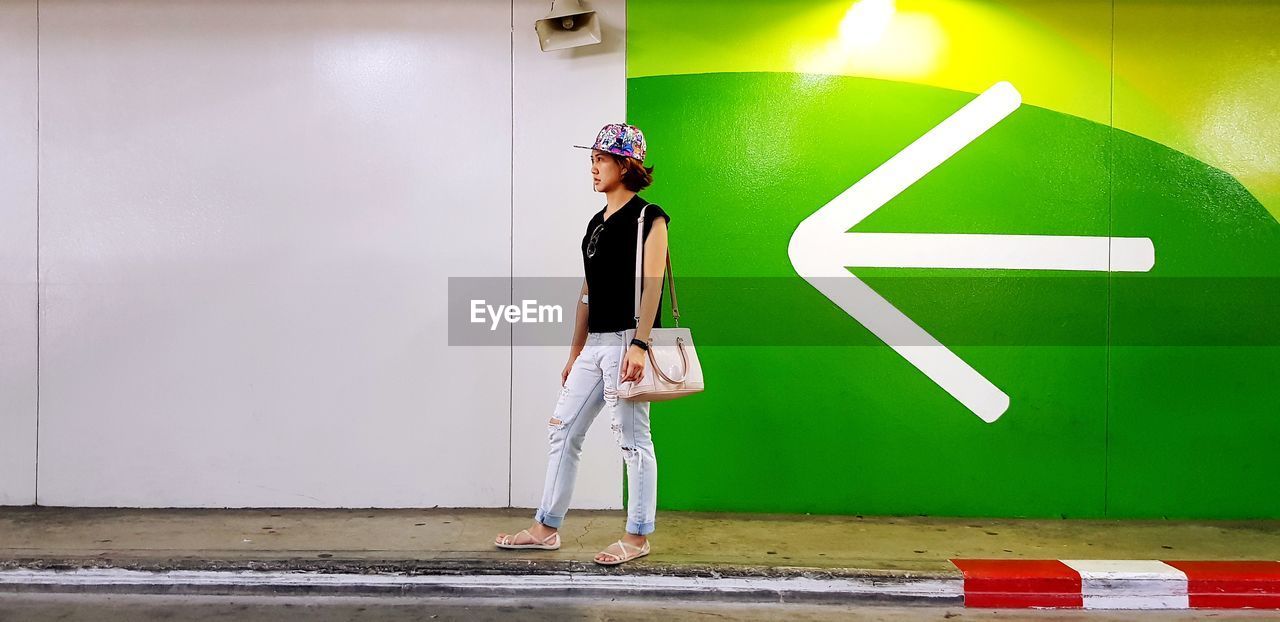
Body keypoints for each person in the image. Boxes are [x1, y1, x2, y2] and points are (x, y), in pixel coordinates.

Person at [494, 123, 670, 565]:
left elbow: (652, 286)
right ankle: (546, 527)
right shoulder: (596, 222)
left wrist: (641, 345)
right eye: (591, 160)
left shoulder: (650, 217)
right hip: (595, 345)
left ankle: (637, 536)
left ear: (625, 164)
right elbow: (587, 292)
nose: (593, 168)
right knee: (563, 430)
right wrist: (575, 351)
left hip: (630, 341)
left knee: (632, 440)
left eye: (601, 159)